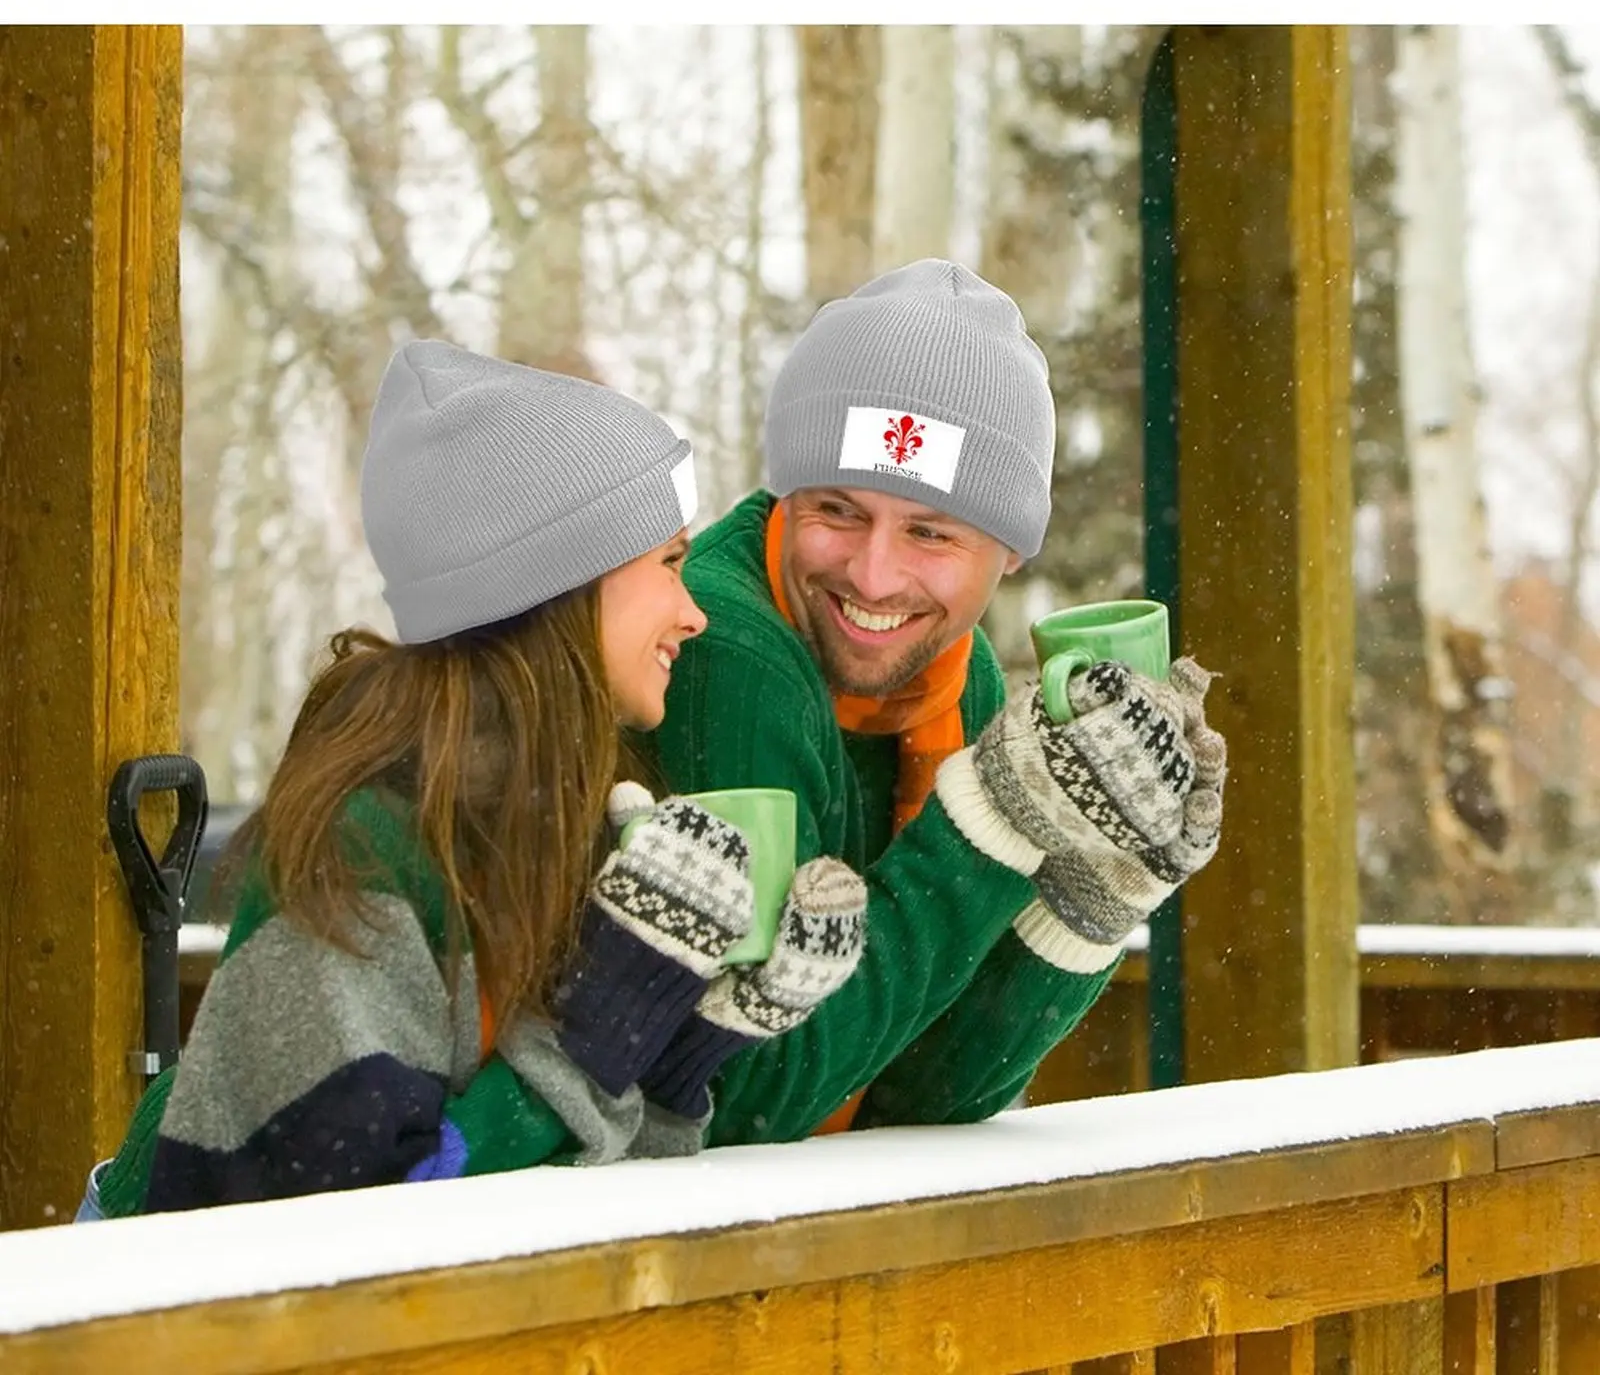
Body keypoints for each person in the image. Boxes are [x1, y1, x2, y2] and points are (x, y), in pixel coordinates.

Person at [80, 340, 866, 1219]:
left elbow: (558, 1193)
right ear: (560, 584)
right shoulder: (361, 843)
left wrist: (682, 1051)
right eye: (669, 564)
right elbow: (352, 1229)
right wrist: (591, 1043)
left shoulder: (559, 812)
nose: (694, 613)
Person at [639, 258, 1227, 1144]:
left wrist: (1091, 890)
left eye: (930, 532)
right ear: (785, 497)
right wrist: (988, 822)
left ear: (1012, 552)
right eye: (838, 510)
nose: (874, 575)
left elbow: (926, 1090)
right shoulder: (727, 652)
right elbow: (752, 1092)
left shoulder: (953, 677)